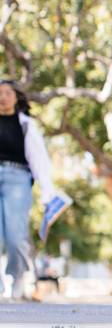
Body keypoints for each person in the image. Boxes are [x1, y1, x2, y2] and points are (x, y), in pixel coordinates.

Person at [0, 80, 71, 300]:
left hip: (18, 178)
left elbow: (39, 161)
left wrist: (47, 193)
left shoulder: (26, 124)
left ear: (16, 97)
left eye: (7, 93)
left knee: (15, 236)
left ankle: (16, 276)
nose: (2, 97)